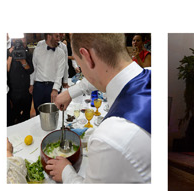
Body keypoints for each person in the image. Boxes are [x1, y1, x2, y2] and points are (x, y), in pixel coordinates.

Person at [46, 34, 151, 183]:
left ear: (87, 57)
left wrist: (65, 173)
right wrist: (70, 93)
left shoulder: (108, 138)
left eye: (80, 65)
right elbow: (107, 75)